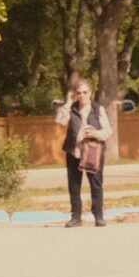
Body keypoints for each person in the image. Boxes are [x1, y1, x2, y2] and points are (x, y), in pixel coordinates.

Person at [54, 79, 110, 227]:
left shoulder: (98, 109)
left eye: (85, 92)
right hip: (74, 151)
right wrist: (67, 102)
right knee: (74, 185)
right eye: (79, 93)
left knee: (96, 183)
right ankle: (76, 217)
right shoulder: (71, 109)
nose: (82, 95)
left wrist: (96, 133)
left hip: (93, 151)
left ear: (90, 93)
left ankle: (98, 215)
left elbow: (108, 131)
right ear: (75, 94)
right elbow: (60, 122)